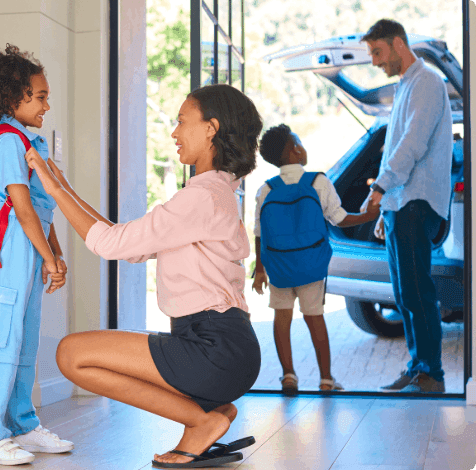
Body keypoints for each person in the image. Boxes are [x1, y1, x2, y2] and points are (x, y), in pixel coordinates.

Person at [24, 83, 263, 468]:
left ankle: (201, 420)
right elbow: (127, 242)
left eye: (182, 122)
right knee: (77, 352)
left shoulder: (201, 197)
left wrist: (53, 189)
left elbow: (112, 245)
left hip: (214, 348)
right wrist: (63, 189)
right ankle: (205, 416)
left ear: (210, 128)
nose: (174, 132)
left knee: (71, 354)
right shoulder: (212, 193)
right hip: (219, 345)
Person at [0, 44, 74, 466]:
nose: (48, 104)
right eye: (41, 96)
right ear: (15, 99)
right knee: (0, 343)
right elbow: (23, 210)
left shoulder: (31, 142)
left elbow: (44, 212)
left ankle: (23, 426)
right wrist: (48, 258)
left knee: (25, 343)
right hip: (10, 254)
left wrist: (56, 254)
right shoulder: (7, 143)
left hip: (30, 251)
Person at [360, 19, 453, 393]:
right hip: (401, 203)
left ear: (398, 44)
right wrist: (385, 207)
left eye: (378, 52)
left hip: (417, 201)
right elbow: (393, 148)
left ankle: (432, 374)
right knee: (404, 294)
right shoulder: (405, 87)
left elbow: (411, 145)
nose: (375, 62)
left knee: (417, 292)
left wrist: (381, 189)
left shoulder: (428, 82)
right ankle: (418, 367)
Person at [252, 125, 380, 393]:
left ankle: (289, 376)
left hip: (279, 267)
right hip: (311, 266)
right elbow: (340, 218)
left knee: (282, 318)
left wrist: (260, 270)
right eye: (299, 142)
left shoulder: (265, 190)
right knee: (314, 318)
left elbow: (260, 233)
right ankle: (326, 380)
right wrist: (368, 216)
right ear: (296, 150)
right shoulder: (317, 182)